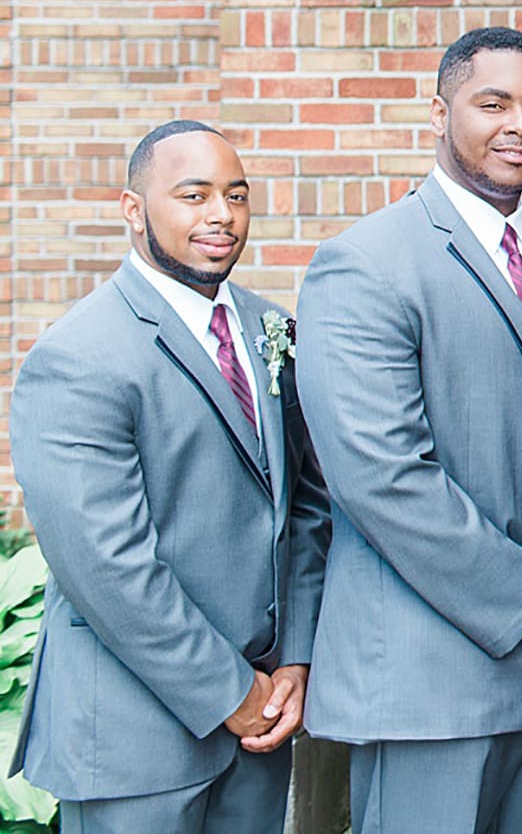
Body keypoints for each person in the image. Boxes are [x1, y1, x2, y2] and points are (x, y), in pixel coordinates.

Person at [295, 26, 522, 834]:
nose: (519, 126)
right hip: (430, 678)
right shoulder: (365, 264)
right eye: (492, 103)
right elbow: (382, 476)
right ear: (438, 111)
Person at [9, 121, 331, 833]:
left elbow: (307, 501)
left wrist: (298, 659)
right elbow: (106, 565)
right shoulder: (80, 355)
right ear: (133, 207)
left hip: (262, 724)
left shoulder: (272, 328)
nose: (221, 214)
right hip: (135, 738)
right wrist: (228, 691)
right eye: (194, 194)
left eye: (236, 195)